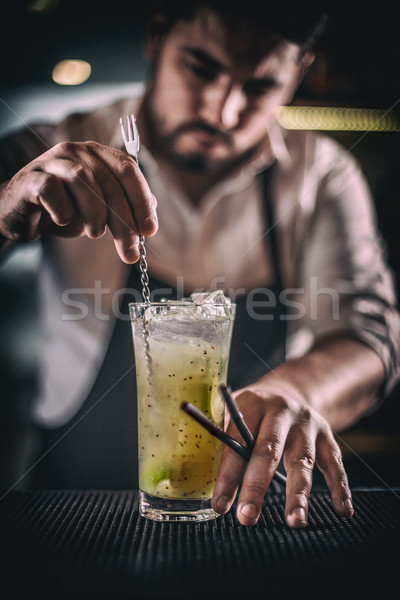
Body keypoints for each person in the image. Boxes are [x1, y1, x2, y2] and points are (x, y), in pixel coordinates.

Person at [0, 0, 399, 529]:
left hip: (247, 519)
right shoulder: (52, 145)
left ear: (298, 74)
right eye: (201, 69)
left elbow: (369, 337)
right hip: (68, 504)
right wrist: (4, 210)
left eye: (259, 88)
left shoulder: (323, 179)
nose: (223, 110)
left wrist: (294, 391)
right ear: (158, 35)